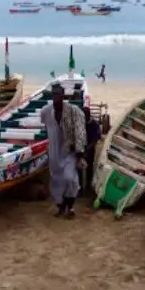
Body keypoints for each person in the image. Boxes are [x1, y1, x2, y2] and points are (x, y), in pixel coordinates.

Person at [40, 84, 87, 218]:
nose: (56, 98)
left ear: (63, 96)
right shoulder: (46, 112)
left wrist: (79, 154)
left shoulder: (74, 111)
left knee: (70, 178)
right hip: (54, 152)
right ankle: (61, 207)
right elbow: (45, 128)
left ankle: (70, 207)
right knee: (56, 181)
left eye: (58, 95)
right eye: (54, 95)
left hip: (69, 152)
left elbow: (80, 133)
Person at [83, 106, 102, 191]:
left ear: (88, 115)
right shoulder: (80, 123)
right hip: (81, 147)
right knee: (79, 168)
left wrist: (87, 149)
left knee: (89, 167)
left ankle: (87, 186)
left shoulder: (94, 124)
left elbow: (95, 139)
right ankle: (80, 186)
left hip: (90, 149)